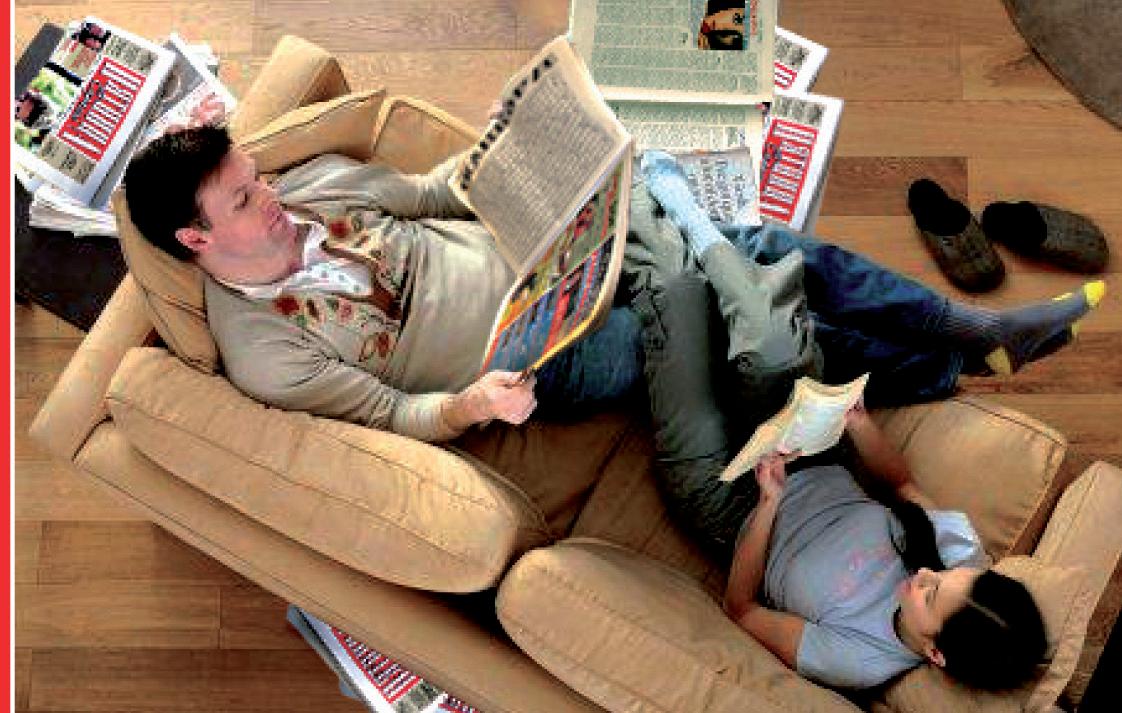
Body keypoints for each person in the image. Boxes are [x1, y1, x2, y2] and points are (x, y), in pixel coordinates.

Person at [122, 125, 1101, 446]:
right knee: (718, 304)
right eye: (246, 200)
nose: (274, 198)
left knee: (753, 244)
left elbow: (433, 191)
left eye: (259, 177)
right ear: (197, 240)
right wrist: (473, 403)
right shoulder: (266, 353)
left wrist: (531, 140)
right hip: (535, 357)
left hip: (556, 254)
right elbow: (393, 414)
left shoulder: (314, 185)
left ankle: (965, 330)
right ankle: (950, 360)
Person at [623, 155, 1050, 691]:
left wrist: (769, 505)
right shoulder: (961, 557)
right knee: (774, 342)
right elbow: (902, 484)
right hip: (811, 453)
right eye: (944, 575)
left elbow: (741, 609)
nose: (925, 573)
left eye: (930, 594)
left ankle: (631, 198)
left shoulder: (859, 660)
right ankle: (687, 210)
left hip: (732, 502)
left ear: (935, 653)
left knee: (678, 295)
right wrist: (859, 424)